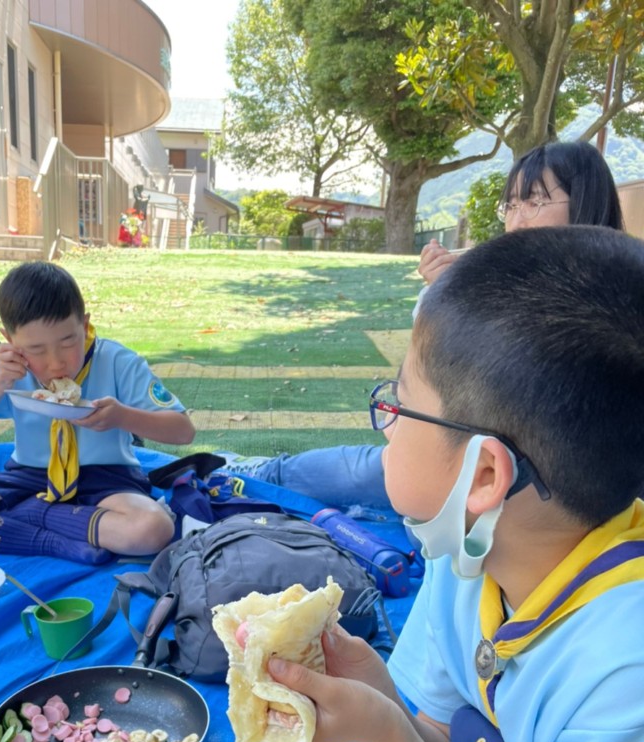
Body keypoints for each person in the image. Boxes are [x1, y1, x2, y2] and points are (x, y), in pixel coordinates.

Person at [68, 225, 644, 742]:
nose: (383, 424)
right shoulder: (467, 547)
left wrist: (383, 732)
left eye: (399, 404)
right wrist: (375, 690)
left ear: (484, 475)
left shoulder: (624, 670)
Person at [222, 140, 624, 518]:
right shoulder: (513, 286)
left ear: (586, 204)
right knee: (328, 477)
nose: (516, 221)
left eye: (535, 201)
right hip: (455, 467)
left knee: (352, 481)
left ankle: (253, 474)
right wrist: (443, 294)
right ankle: (255, 472)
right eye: (512, 203)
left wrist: (452, 298)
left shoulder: (600, 313)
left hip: (498, 490)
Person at [0, 261, 195, 563]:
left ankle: (25, 517)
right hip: (27, 479)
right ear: (9, 340)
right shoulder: (5, 368)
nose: (56, 362)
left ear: (85, 324)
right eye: (36, 350)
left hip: (107, 481)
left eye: (68, 341)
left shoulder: (117, 361)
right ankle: (57, 540)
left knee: (153, 528)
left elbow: (183, 431)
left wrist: (123, 417)